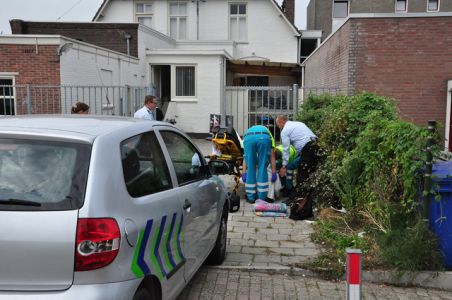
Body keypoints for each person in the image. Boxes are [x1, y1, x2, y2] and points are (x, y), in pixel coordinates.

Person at [276, 115, 318, 217]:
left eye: (278, 125)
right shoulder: (298, 124)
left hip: (307, 149)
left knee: (302, 178)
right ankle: (304, 205)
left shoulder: (285, 130)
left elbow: (286, 149)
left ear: (282, 122)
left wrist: (284, 166)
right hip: (316, 145)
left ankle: (300, 208)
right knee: (308, 177)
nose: (279, 127)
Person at [241, 125, 277, 203]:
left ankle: (251, 198)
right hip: (263, 138)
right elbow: (272, 156)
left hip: (248, 137)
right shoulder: (269, 135)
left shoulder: (250, 130)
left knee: (251, 167)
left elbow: (246, 157)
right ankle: (262, 198)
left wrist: (243, 172)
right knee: (262, 167)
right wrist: (274, 172)